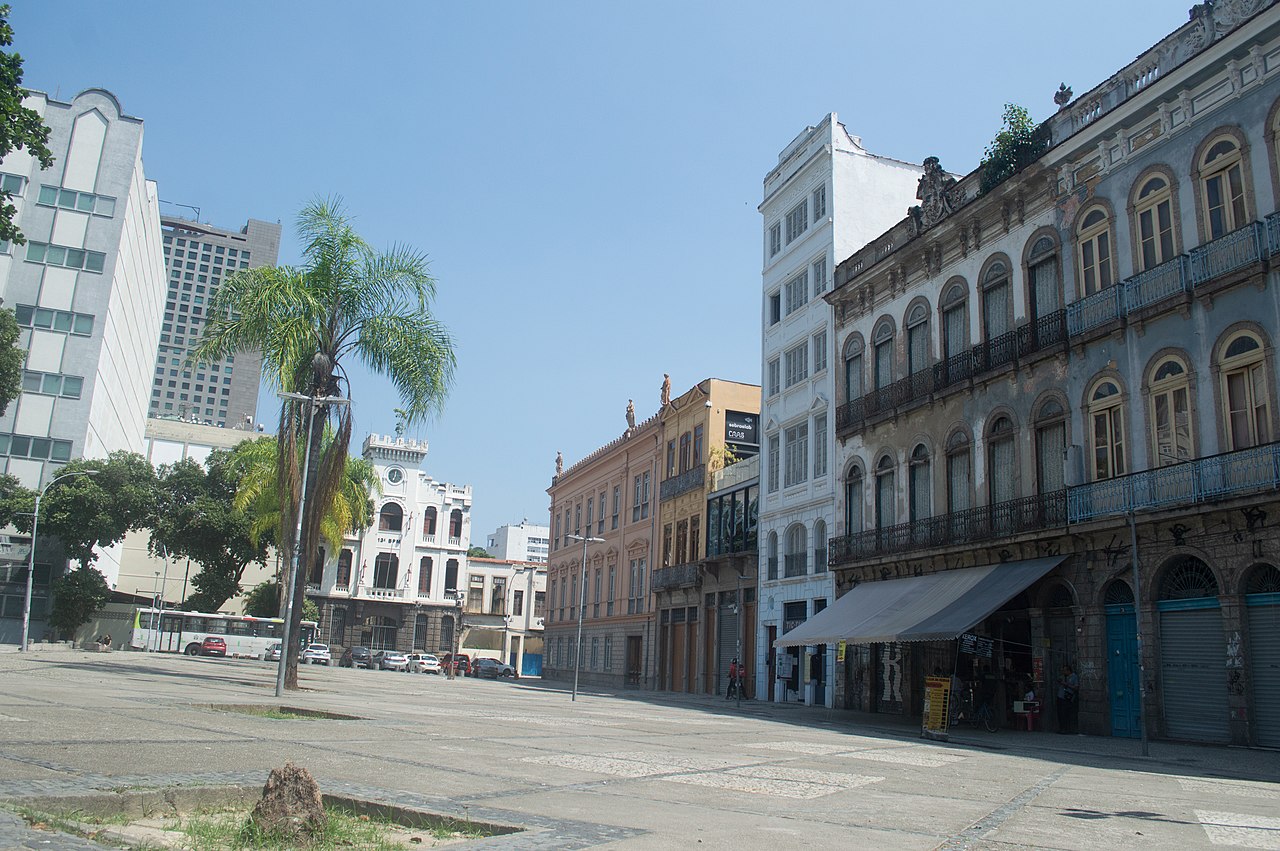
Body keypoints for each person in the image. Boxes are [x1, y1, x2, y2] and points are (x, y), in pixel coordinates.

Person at [1056, 663, 1080, 734]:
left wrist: (1066, 684)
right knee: (1060, 713)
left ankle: (1068, 729)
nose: (1063, 672)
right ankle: (1062, 728)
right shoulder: (1063, 677)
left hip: (1068, 698)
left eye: (1064, 670)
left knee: (1066, 713)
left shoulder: (1074, 677)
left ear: (1068, 670)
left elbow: (1076, 688)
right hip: (1060, 697)